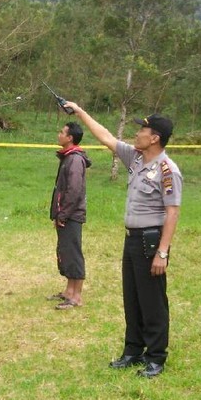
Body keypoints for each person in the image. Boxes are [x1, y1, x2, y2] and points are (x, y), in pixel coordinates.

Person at [64, 101, 182, 378]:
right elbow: (105, 135)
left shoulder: (168, 170)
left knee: (152, 301)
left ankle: (155, 357)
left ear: (154, 138)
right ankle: (133, 350)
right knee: (132, 298)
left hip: (151, 241)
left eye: (142, 130)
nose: (137, 134)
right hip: (132, 239)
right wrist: (79, 111)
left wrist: (162, 252)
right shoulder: (136, 158)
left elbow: (173, 211)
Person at [48, 122, 92, 310]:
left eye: (62, 132)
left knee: (73, 252)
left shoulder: (74, 160)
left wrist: (63, 215)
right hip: (66, 214)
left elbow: (74, 191)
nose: (59, 134)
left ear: (70, 138)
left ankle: (77, 297)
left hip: (72, 215)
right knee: (65, 251)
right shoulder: (68, 157)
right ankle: (68, 291)